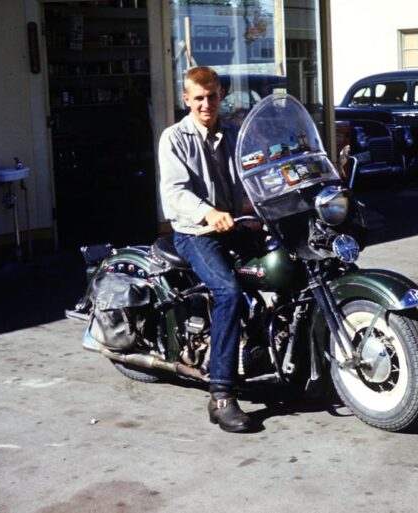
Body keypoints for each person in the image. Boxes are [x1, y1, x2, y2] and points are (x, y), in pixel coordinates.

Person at [158, 66, 252, 433]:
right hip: (195, 232)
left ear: (221, 95)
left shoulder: (234, 132)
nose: (206, 104)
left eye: (212, 96)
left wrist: (258, 204)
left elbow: (251, 172)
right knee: (228, 291)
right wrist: (209, 213)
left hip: (235, 224)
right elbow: (176, 192)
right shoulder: (174, 138)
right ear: (186, 99)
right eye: (198, 98)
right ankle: (222, 395)